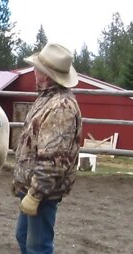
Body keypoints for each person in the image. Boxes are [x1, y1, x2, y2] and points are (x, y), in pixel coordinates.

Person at [12, 43, 82, 254]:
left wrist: (35, 194)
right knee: (24, 237)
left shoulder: (60, 107)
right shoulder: (48, 99)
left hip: (43, 190)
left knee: (38, 247)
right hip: (34, 186)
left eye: (37, 68)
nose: (34, 71)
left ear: (46, 75)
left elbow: (53, 158)